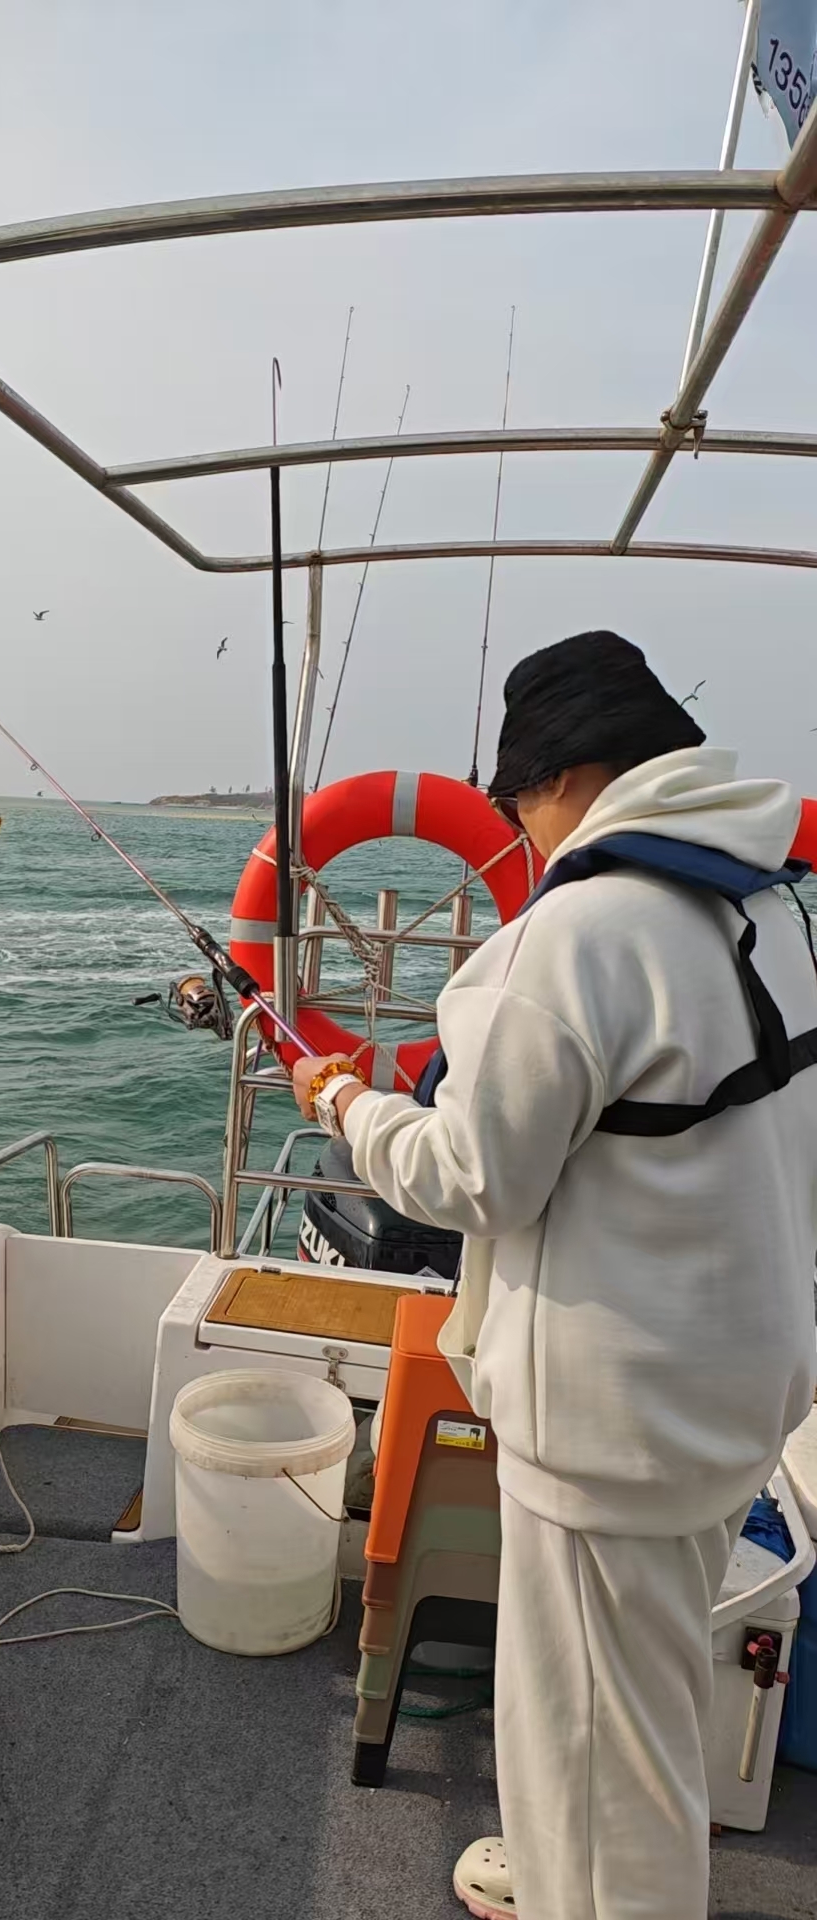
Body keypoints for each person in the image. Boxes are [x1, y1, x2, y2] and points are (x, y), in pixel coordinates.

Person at [292, 630, 817, 1920]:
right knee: (625, 1697)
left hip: (606, 1425)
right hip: (733, 1390)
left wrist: (349, 1102)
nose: (520, 831)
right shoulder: (771, 907)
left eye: (517, 800)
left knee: (598, 1748)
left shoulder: (576, 932)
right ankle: (550, 1861)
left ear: (566, 777)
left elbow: (469, 1179)